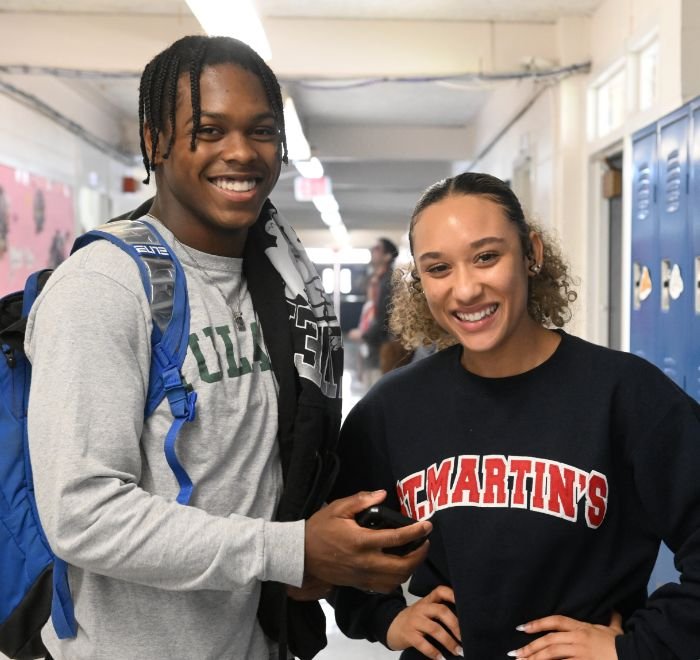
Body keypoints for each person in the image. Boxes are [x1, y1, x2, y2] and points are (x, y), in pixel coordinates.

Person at [25, 35, 431, 660]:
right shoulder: (105, 287)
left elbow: (259, 477)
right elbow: (82, 513)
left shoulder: (281, 283)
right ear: (155, 139)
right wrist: (288, 549)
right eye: (209, 131)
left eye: (261, 130)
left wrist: (319, 556)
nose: (241, 152)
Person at [329, 172, 700, 659]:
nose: (464, 290)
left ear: (532, 253)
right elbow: (336, 541)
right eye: (438, 268)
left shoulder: (626, 395)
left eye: (486, 257)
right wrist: (385, 619)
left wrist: (637, 647)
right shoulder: (392, 408)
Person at [349, 237, 411, 384]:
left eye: (377, 249)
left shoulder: (390, 280)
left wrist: (364, 335)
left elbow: (385, 315)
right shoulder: (375, 279)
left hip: (383, 343)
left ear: (388, 256)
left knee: (378, 384)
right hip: (374, 342)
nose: (372, 251)